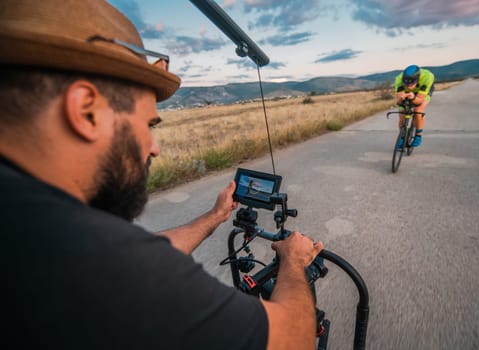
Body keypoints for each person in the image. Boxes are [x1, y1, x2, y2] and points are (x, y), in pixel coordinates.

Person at [0, 1, 323, 349]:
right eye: (147, 125)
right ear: (86, 111)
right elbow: (293, 339)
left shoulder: (27, 221)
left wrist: (213, 217)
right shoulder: (80, 256)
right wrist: (294, 260)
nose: (153, 147)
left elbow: (137, 254)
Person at [394, 65, 435, 147]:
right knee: (402, 114)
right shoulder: (398, 80)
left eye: (411, 83)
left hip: (422, 92)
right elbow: (398, 102)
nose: (409, 86)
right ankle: (402, 136)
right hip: (406, 93)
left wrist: (413, 98)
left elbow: (419, 100)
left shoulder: (427, 77)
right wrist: (401, 99)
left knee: (418, 110)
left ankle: (418, 135)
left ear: (417, 79)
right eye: (406, 84)